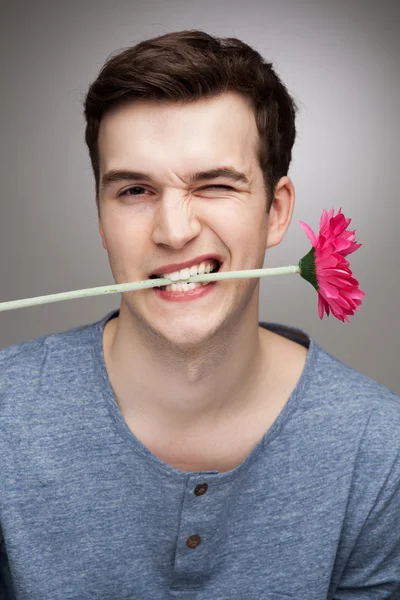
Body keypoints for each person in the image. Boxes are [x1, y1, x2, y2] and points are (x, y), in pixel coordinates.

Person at [0, 30, 399, 600]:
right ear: (100, 217)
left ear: (276, 211)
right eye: (135, 190)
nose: (174, 231)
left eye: (213, 185)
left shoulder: (381, 450)